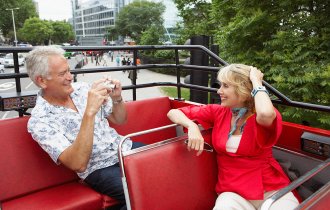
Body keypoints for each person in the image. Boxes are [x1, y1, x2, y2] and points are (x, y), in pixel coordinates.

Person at [25, 46, 143, 210]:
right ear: (42, 81)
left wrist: (117, 98)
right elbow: (78, 164)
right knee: (143, 191)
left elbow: (120, 119)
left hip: (125, 148)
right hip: (99, 168)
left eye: (69, 71)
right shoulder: (39, 121)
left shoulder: (83, 89)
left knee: (169, 169)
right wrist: (89, 111)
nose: (70, 77)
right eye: (62, 74)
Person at [167, 64, 299, 210]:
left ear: (242, 89)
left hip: (269, 188)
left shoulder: (260, 113)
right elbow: (173, 112)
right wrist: (191, 126)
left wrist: (256, 81)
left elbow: (266, 114)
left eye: (225, 86)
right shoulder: (218, 112)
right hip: (233, 192)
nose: (219, 91)